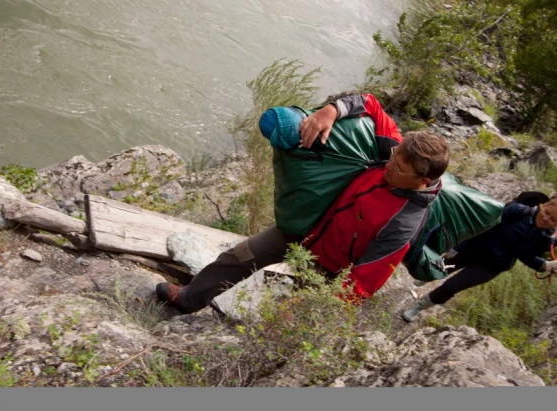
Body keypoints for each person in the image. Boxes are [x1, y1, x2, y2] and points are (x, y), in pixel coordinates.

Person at [154, 94, 450, 313]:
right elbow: (370, 103)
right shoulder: (394, 152)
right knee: (239, 255)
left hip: (326, 269)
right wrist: (330, 110)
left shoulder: (404, 223)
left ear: (422, 181)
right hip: (304, 229)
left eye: (398, 168)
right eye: (394, 156)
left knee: (287, 312)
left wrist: (314, 307)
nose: (389, 164)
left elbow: (363, 283)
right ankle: (190, 298)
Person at [402, 193, 557, 322]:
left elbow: (527, 256)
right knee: (442, 265)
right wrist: (458, 241)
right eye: (547, 213)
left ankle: (418, 307)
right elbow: (485, 221)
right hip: (472, 248)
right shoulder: (519, 211)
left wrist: (545, 265)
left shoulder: (543, 238)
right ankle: (427, 276)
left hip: (492, 266)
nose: (546, 219)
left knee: (452, 287)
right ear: (543, 206)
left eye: (553, 220)